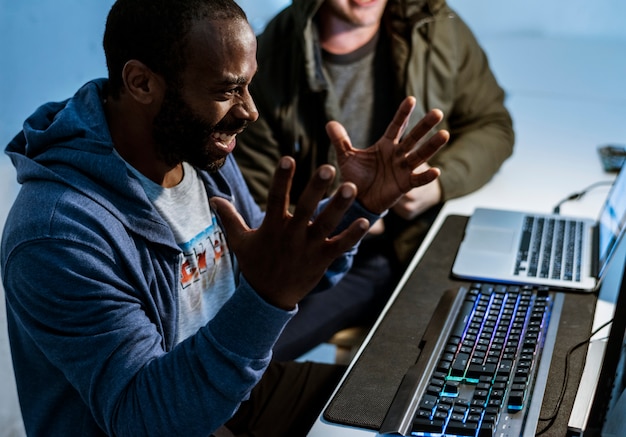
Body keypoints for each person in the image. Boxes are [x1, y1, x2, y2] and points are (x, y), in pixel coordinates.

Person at [0, 0, 449, 436]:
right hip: (167, 414)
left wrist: (360, 207)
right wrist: (266, 298)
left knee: (419, 406)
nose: (249, 111)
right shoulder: (58, 233)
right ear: (140, 83)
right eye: (227, 90)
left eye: (249, 85)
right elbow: (144, 417)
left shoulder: (195, 150)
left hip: (233, 390)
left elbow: (281, 267)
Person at [234, 0, 515, 360]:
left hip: (425, 236)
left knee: (495, 357)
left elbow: (491, 124)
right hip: (335, 260)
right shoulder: (268, 60)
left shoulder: (432, 24)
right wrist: (356, 215)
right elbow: (260, 216)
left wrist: (438, 183)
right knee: (249, 355)